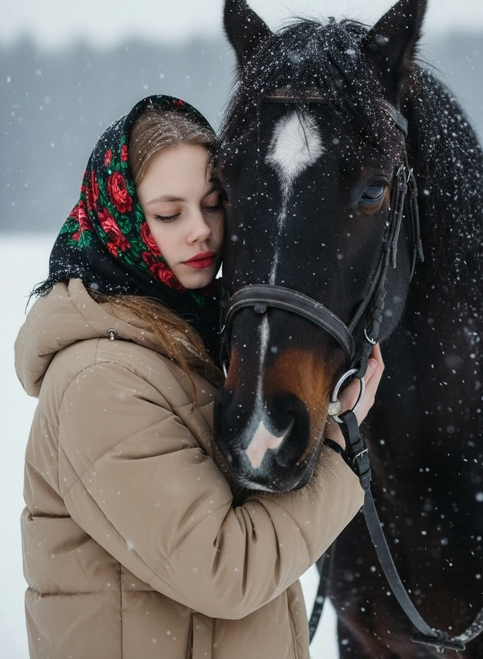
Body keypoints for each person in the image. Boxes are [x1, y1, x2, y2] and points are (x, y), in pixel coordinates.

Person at [15, 94, 384, 659]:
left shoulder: (195, 347)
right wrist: (339, 448)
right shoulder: (99, 381)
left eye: (214, 205)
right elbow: (225, 571)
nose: (201, 232)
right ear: (121, 221)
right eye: (169, 213)